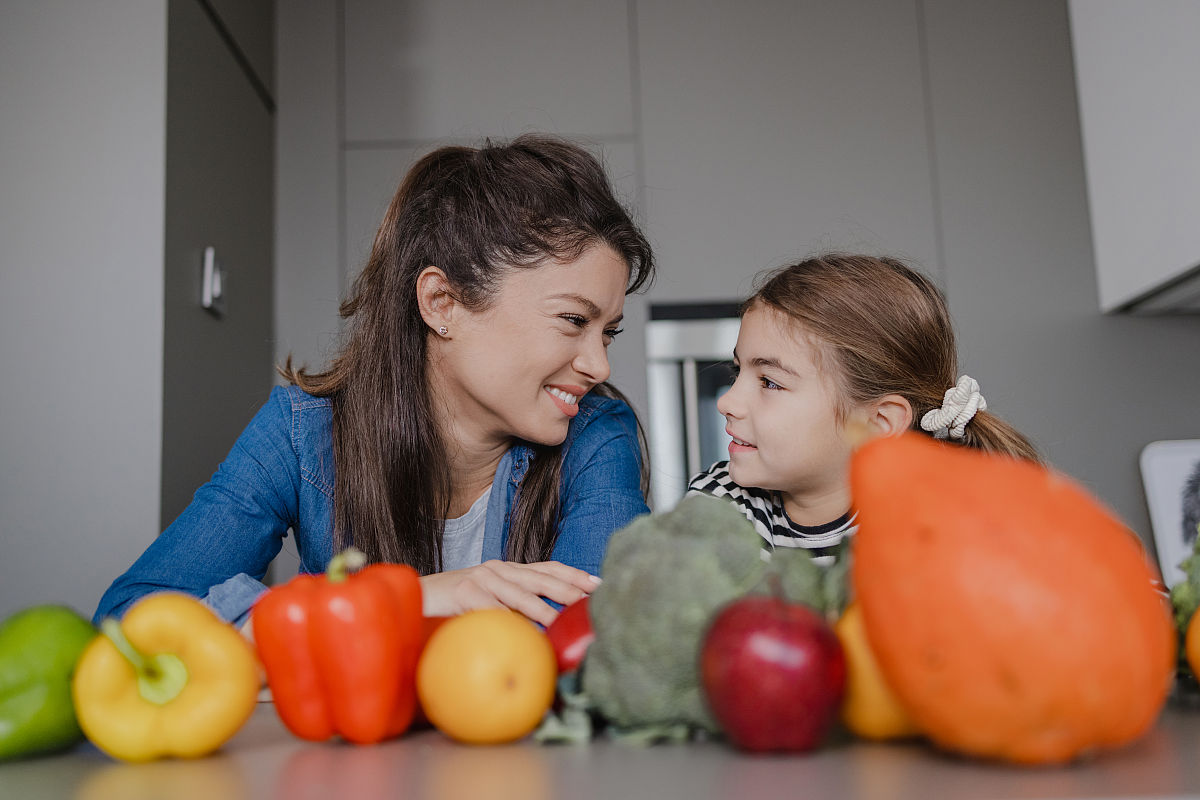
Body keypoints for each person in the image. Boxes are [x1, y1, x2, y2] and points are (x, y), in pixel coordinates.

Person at [94, 134, 655, 629]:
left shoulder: (598, 433)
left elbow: (595, 631)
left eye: (608, 332)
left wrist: (311, 625)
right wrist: (398, 602)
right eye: (574, 321)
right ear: (443, 302)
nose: (599, 367)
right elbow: (132, 619)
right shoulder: (301, 434)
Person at [687, 253, 1038, 559]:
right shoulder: (720, 503)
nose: (727, 401)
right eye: (738, 370)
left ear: (878, 423)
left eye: (770, 382)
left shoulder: (940, 535)